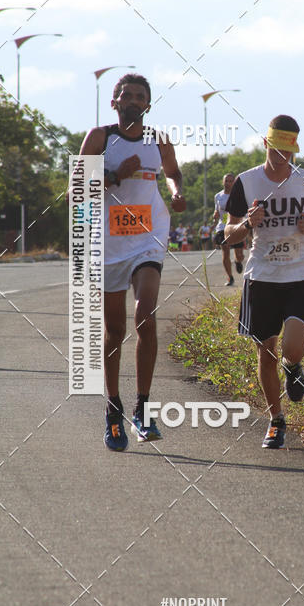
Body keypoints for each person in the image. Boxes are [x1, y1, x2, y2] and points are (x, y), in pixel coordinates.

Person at [72, 73, 186, 451]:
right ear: (114, 102)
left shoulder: (158, 139)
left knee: (146, 316)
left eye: (140, 96)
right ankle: (112, 407)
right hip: (108, 243)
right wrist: (112, 174)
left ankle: (143, 407)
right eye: (126, 95)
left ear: (149, 104)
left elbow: (172, 172)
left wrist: (177, 192)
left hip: (148, 239)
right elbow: (75, 186)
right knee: (114, 330)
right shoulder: (100, 137)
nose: (133, 100)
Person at [225, 114, 304, 449]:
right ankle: (275, 421)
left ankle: (294, 365)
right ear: (266, 144)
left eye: (290, 152)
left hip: (300, 272)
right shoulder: (247, 181)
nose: (284, 158)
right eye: (278, 150)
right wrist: (247, 224)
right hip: (262, 275)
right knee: (265, 352)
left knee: (292, 347)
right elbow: (226, 234)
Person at [213, 173, 245, 286]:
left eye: (231, 181)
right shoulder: (218, 196)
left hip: (236, 226)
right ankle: (230, 277)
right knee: (225, 251)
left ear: (234, 182)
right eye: (226, 180)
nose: (228, 183)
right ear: (223, 182)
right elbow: (217, 211)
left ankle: (238, 261)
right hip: (222, 227)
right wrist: (215, 215)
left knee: (240, 254)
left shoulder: (239, 195)